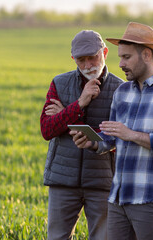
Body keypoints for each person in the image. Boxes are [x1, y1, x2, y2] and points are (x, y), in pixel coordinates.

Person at [71, 22, 153, 240]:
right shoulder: (122, 92)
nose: (120, 64)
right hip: (118, 197)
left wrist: (131, 135)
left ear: (146, 55)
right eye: (120, 57)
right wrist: (93, 143)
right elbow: (113, 137)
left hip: (151, 198)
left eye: (126, 57)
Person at [40, 30, 124, 240]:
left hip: (103, 181)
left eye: (92, 57)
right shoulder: (59, 83)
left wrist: (64, 115)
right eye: (81, 60)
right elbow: (47, 130)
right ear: (73, 59)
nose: (88, 65)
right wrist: (80, 103)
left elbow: (117, 134)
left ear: (105, 52)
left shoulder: (121, 89)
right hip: (62, 180)